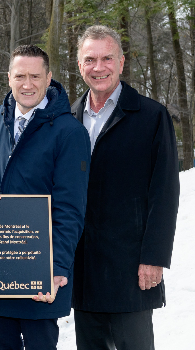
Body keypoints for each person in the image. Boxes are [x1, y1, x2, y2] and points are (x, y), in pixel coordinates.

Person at [0, 45, 90, 350]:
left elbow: (70, 208)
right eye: (20, 76)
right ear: (9, 78)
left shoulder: (69, 132)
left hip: (37, 274)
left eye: (35, 76)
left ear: (49, 78)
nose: (27, 84)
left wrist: (57, 266)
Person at [71, 25, 180, 350]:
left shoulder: (150, 117)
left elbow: (165, 195)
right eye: (90, 59)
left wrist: (154, 258)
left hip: (130, 270)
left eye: (107, 58)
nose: (98, 67)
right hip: (83, 270)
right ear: (80, 66)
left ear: (121, 62)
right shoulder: (67, 118)